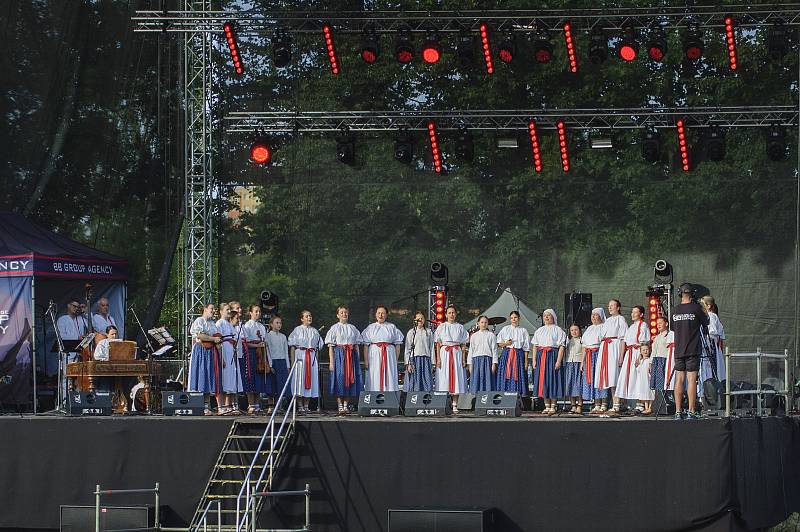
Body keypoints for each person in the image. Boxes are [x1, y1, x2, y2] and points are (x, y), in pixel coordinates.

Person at [671, 283, 709, 420]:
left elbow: (673, 328)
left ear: (680, 294)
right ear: (692, 294)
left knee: (679, 380)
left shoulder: (675, 310)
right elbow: (706, 323)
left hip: (679, 350)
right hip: (693, 349)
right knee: (692, 380)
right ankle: (691, 411)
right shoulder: (696, 308)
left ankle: (677, 411)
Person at [325, 306, 364, 415]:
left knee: (350, 379)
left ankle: (346, 405)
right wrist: (332, 362)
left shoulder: (353, 328)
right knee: (340, 379)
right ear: (338, 315)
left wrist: (357, 359)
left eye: (346, 312)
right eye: (342, 312)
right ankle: (340, 405)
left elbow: (356, 345)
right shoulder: (334, 328)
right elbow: (330, 347)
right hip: (339, 355)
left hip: (351, 356)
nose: (344, 314)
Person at [188, 303, 223, 415]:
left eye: (214, 309)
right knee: (201, 376)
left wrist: (218, 344)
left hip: (210, 352)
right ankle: (200, 406)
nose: (213, 311)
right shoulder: (199, 320)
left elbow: (217, 338)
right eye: (211, 309)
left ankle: (207, 406)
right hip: (201, 351)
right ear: (205, 309)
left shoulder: (213, 324)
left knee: (207, 377)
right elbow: (200, 336)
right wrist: (213, 338)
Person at [434, 305, 469, 413]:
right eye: (449, 313)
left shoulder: (460, 327)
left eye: (453, 312)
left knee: (456, 377)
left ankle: (455, 404)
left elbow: (463, 345)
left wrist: (463, 360)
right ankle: (444, 403)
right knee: (444, 377)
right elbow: (438, 345)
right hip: (445, 353)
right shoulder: (441, 327)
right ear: (446, 314)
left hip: (456, 353)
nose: (451, 314)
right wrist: (438, 359)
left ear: (456, 314)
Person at [615, 305, 650, 414]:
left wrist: (640, 356)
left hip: (637, 353)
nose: (633, 314)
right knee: (627, 378)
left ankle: (640, 404)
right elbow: (626, 342)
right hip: (629, 354)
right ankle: (622, 404)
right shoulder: (631, 327)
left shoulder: (643, 325)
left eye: (635, 312)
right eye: (632, 312)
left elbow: (644, 343)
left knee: (638, 378)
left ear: (641, 314)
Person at [531, 308, 567, 415]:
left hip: (553, 355)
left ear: (553, 317)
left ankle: (553, 405)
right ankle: (546, 405)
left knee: (553, 380)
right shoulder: (539, 330)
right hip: (541, 356)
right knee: (543, 380)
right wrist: (534, 360)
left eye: (548, 315)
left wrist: (558, 361)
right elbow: (535, 347)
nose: (546, 317)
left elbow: (562, 347)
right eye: (545, 316)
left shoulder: (558, 330)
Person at [361, 305, 404, 392]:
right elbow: (366, 346)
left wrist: (395, 359)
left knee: (389, 376)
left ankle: (390, 398)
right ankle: (374, 399)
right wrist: (366, 361)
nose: (381, 315)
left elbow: (398, 344)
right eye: (379, 313)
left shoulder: (392, 327)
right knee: (375, 375)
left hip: (389, 356)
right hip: (374, 357)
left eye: (383, 313)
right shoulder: (370, 327)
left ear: (386, 315)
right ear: (376, 314)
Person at [288, 310, 323, 414]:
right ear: (302, 318)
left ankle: (307, 405)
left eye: (310, 316)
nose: (309, 318)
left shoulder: (315, 331)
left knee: (310, 379)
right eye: (307, 316)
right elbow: (293, 347)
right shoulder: (297, 330)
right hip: (300, 356)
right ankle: (300, 405)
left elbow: (317, 348)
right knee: (300, 380)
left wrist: (316, 362)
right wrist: (293, 362)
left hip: (311, 357)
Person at [596, 299, 627, 413]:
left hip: (614, 348)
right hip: (605, 349)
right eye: (609, 306)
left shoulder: (621, 319)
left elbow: (623, 338)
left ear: (618, 307)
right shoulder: (607, 320)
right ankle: (605, 403)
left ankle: (617, 404)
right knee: (606, 377)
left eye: (612, 306)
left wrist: (621, 355)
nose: (610, 308)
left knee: (614, 377)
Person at [217, 304, 243, 415]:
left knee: (231, 379)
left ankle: (229, 405)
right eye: (227, 309)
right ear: (221, 311)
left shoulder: (229, 324)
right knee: (224, 378)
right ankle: (221, 406)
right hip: (225, 351)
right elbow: (218, 340)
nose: (229, 311)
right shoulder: (219, 323)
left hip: (231, 351)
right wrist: (221, 357)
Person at [496, 310, 530, 395]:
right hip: (507, 354)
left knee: (518, 373)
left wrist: (526, 362)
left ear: (519, 318)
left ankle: (518, 395)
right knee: (506, 373)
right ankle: (504, 393)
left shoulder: (523, 330)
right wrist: (506, 343)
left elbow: (526, 348)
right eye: (511, 318)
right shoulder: (505, 329)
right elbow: (499, 344)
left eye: (515, 317)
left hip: (518, 354)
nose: (513, 319)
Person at [242, 305, 268, 414]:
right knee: (250, 377)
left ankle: (257, 403)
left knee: (259, 376)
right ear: (250, 313)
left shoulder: (261, 326)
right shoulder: (247, 326)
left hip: (260, 354)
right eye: (256, 311)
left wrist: (262, 345)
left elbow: (264, 339)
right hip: (251, 353)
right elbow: (246, 343)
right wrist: (257, 345)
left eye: (259, 311)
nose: (258, 313)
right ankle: (251, 404)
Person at [700, 295, 726, 391]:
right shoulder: (710, 316)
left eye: (702, 305)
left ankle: (712, 392)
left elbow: (712, 332)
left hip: (710, 347)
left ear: (709, 306)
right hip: (710, 346)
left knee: (712, 371)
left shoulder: (711, 316)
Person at [404, 311, 435, 392]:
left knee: (426, 381)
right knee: (415, 381)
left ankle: (426, 400)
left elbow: (431, 347)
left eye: (422, 318)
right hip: (414, 359)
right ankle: (414, 400)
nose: (420, 320)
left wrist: (432, 362)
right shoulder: (411, 332)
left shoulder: (428, 332)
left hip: (425, 359)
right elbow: (408, 348)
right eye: (418, 319)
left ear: (424, 320)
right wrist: (408, 364)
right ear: (414, 320)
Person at [583, 308, 606, 414]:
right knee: (592, 379)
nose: (593, 317)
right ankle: (596, 404)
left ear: (601, 316)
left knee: (601, 379)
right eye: (592, 314)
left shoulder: (604, 327)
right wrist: (582, 362)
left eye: (596, 315)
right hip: (589, 356)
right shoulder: (589, 329)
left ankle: (604, 403)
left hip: (599, 354)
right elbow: (584, 346)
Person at [467, 316, 498, 393]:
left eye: (485, 322)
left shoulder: (491, 335)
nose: (484, 324)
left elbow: (494, 350)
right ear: (478, 323)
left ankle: (487, 400)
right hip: (476, 361)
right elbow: (471, 350)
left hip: (487, 360)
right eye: (482, 322)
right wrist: (470, 364)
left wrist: (494, 363)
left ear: (488, 324)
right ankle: (474, 400)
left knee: (488, 381)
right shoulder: (474, 336)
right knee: (476, 381)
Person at [265, 314, 290, 408]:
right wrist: (270, 365)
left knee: (281, 384)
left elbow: (285, 352)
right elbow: (268, 351)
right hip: (274, 362)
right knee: (272, 384)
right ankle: (270, 406)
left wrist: (287, 365)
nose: (279, 325)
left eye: (280, 323)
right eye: (277, 323)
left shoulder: (283, 336)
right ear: (271, 324)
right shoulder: (268, 336)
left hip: (282, 362)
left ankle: (278, 406)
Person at [56, 298, 89, 362]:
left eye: (78, 307)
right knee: (68, 371)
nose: (76, 308)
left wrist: (86, 312)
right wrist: (77, 337)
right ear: (68, 305)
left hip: (80, 353)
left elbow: (92, 326)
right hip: (68, 353)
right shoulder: (62, 319)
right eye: (74, 306)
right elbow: (61, 336)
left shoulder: (81, 319)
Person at [563, 323, 584, 415]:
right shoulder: (568, 341)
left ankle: (579, 405)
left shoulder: (582, 340)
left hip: (578, 363)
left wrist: (582, 364)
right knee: (570, 384)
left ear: (579, 330)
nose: (574, 332)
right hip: (569, 363)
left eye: (576, 330)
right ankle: (573, 405)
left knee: (578, 384)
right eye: (572, 330)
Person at [634, 343, 655, 414]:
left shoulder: (649, 360)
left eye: (647, 350)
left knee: (650, 393)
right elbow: (638, 370)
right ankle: (646, 408)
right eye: (643, 350)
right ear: (640, 351)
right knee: (645, 394)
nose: (645, 351)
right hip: (643, 381)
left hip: (648, 379)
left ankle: (650, 408)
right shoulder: (641, 361)